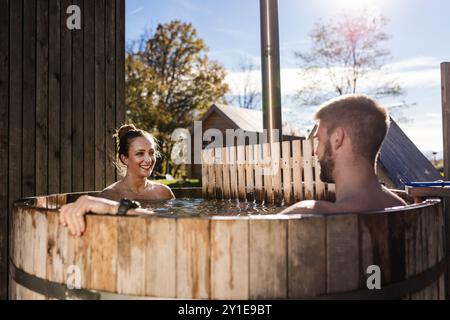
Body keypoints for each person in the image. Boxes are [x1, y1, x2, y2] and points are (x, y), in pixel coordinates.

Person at [280, 94, 406, 215]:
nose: (315, 151)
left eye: (319, 140)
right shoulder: (401, 207)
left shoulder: (309, 214)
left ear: (337, 138)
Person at [60, 124, 174, 236]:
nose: (148, 159)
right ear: (124, 159)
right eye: (140, 153)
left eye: (151, 153)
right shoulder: (110, 195)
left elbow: (173, 227)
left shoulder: (163, 192)